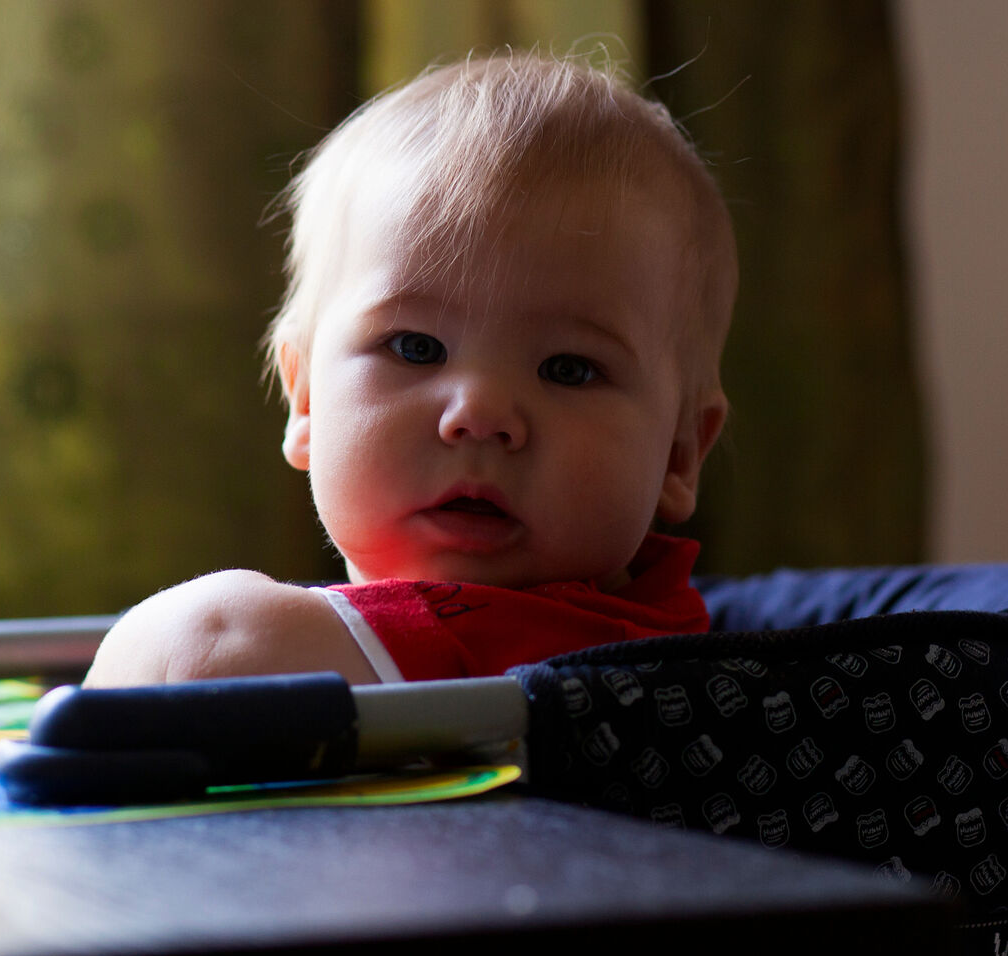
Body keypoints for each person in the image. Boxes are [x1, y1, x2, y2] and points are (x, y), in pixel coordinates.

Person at [84, 52, 736, 687]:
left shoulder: (596, 653)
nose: (480, 414)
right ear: (305, 398)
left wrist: (190, 638)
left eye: (568, 368)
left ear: (680, 454)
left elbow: (211, 648)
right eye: (416, 348)